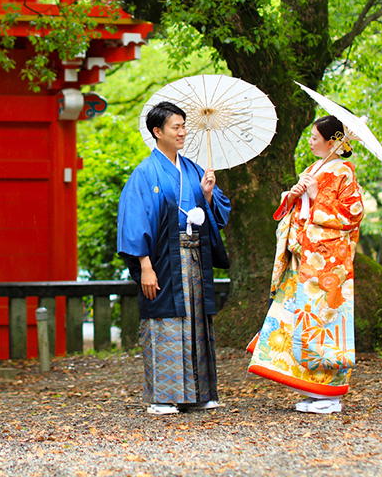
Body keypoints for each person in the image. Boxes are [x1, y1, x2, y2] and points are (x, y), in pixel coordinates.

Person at [117, 101, 231, 416]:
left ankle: (198, 393)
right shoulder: (145, 173)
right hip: (163, 260)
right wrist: (145, 267)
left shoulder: (194, 169)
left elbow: (217, 213)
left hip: (195, 257)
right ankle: (163, 397)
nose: (182, 132)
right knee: (165, 321)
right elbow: (135, 220)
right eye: (175, 127)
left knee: (196, 322)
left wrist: (207, 194)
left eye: (183, 126)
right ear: (157, 132)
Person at [246, 114, 365, 414]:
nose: (310, 141)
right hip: (304, 259)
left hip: (326, 266)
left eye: (315, 137)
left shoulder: (344, 173)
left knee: (323, 323)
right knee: (294, 319)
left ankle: (330, 393)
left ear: (334, 141)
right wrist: (294, 197)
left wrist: (315, 198)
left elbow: (352, 214)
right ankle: (312, 388)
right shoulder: (314, 168)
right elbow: (300, 211)